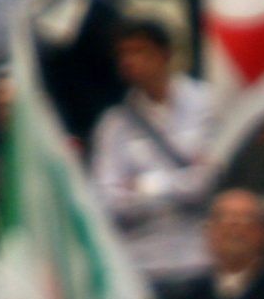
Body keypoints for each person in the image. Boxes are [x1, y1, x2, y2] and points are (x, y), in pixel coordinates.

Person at [89, 15, 216, 284]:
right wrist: (182, 183)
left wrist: (145, 185)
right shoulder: (114, 124)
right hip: (142, 262)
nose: (129, 61)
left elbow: (207, 181)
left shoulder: (207, 104)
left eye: (139, 51)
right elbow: (107, 199)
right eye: (123, 54)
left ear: (164, 54)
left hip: (201, 257)